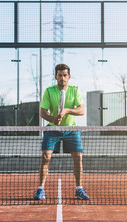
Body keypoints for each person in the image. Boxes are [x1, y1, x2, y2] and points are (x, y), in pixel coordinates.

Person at [34, 63, 90, 201]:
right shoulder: (49, 91)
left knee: (78, 157)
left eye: (65, 75)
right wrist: (53, 118)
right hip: (53, 129)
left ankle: (79, 189)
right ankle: (40, 189)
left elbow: (81, 110)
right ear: (55, 76)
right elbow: (42, 112)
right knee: (45, 157)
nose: (62, 78)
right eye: (60, 75)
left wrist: (66, 111)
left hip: (71, 129)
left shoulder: (75, 90)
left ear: (69, 77)